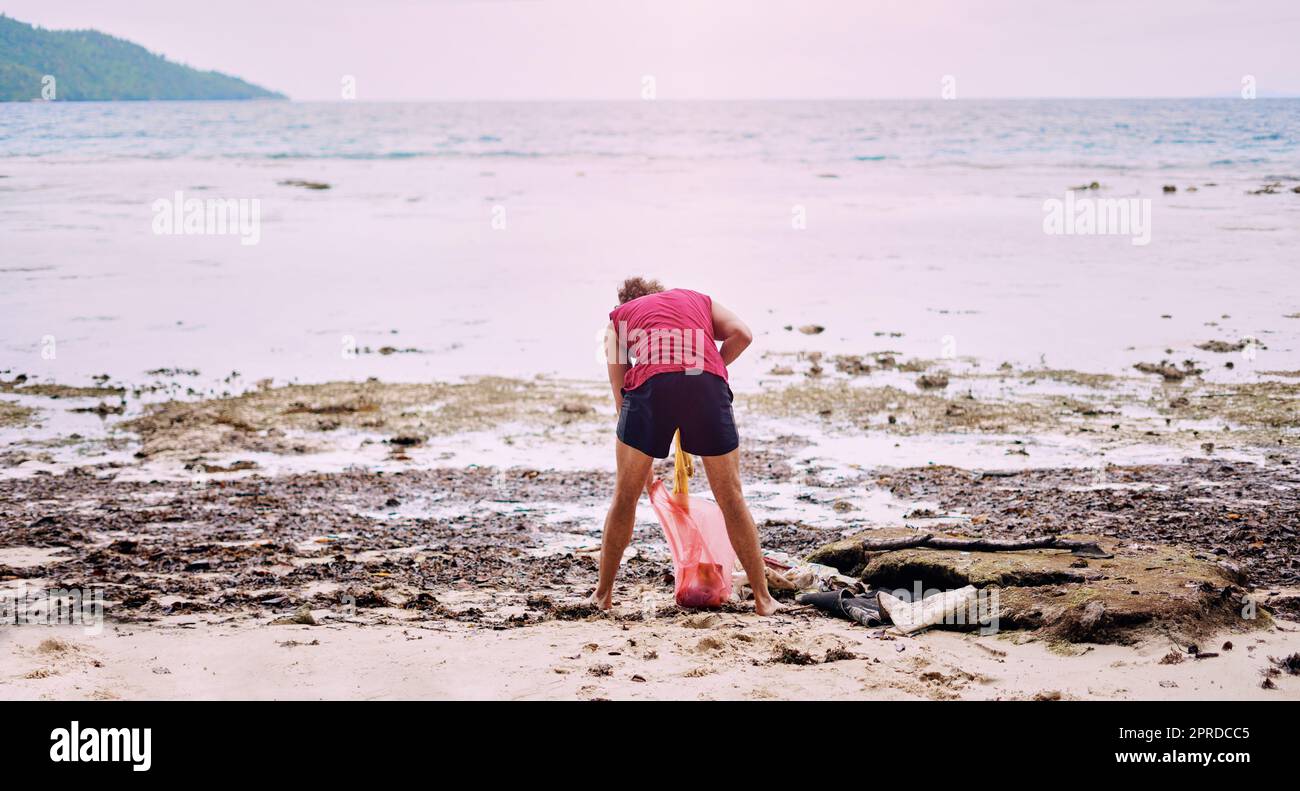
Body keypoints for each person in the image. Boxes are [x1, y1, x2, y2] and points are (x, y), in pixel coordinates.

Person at [589, 276, 779, 616]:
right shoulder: (696, 299)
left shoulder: (617, 321)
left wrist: (639, 459)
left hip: (651, 387)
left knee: (625, 497)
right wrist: (710, 367)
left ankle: (602, 596)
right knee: (731, 496)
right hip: (704, 381)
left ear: (625, 304)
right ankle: (764, 599)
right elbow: (743, 335)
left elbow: (620, 393)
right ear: (659, 292)